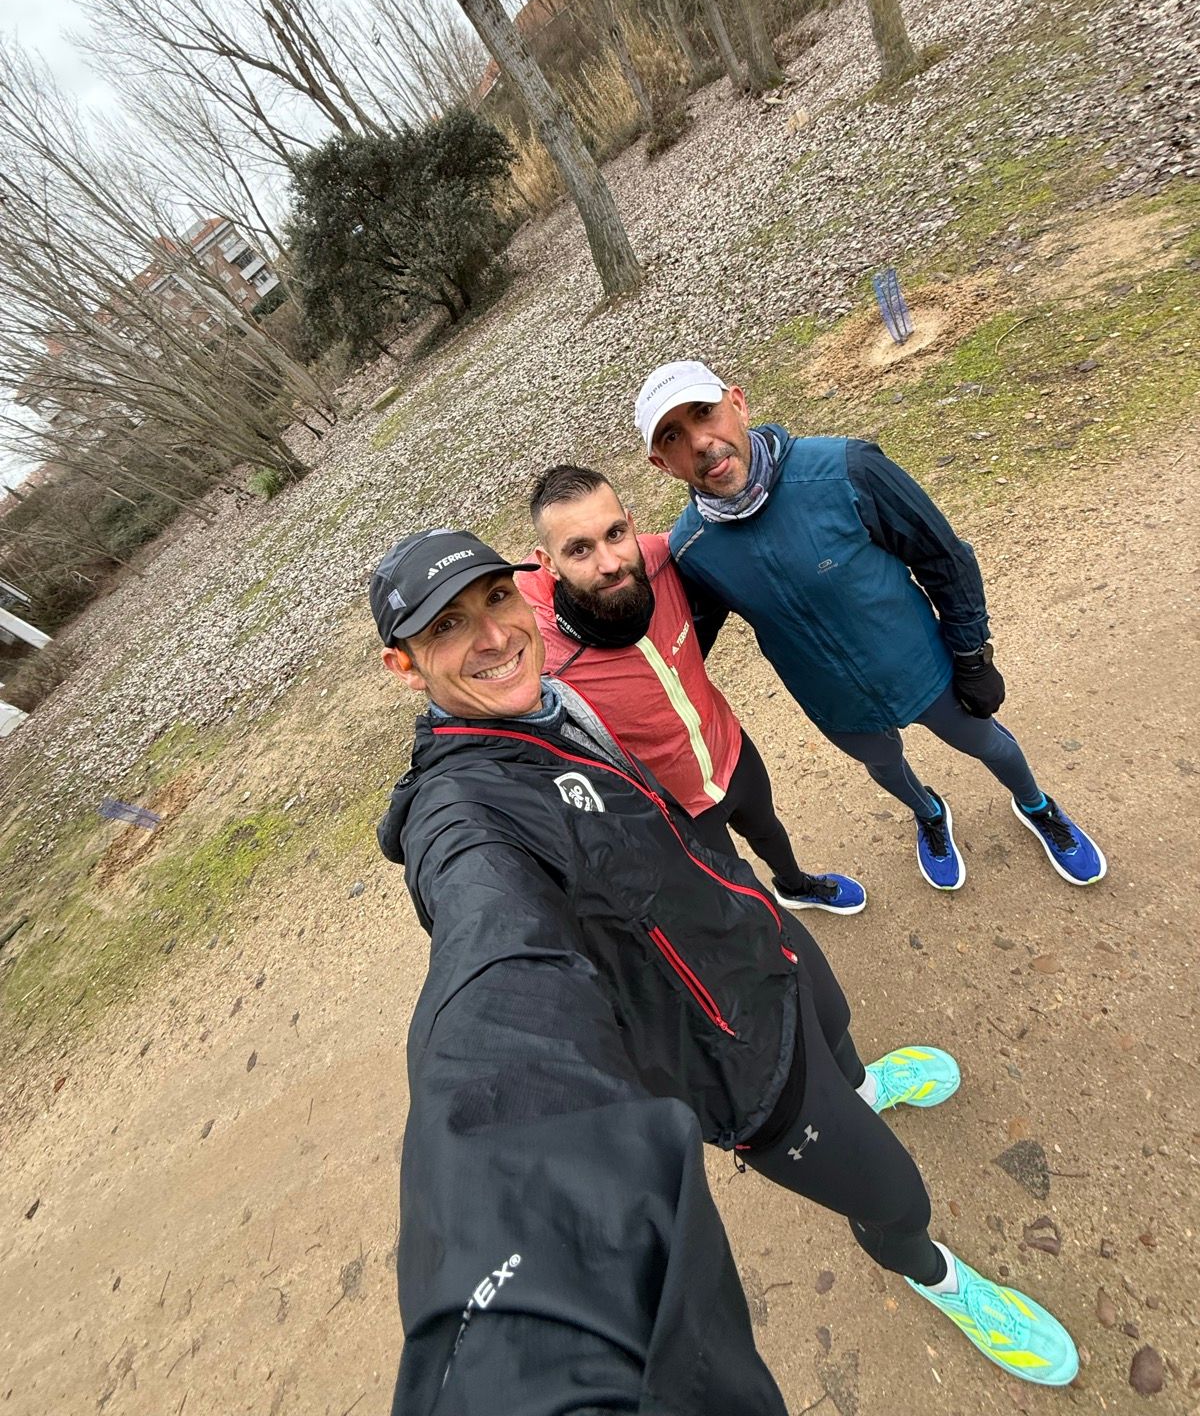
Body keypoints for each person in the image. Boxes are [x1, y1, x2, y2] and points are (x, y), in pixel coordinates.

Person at [372, 526, 1079, 1413]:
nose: (492, 635)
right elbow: (495, 977)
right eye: (447, 627)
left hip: (759, 938)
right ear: (404, 667)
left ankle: (862, 1087)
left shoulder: (547, 704)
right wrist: (517, 1318)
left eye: (496, 598)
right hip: (737, 1062)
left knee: (842, 1034)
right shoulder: (462, 815)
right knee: (897, 1196)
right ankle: (934, 1274)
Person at [634, 360, 1106, 892]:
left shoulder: (846, 468)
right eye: (673, 435)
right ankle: (929, 813)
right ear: (662, 463)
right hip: (834, 701)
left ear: (738, 404)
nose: (700, 441)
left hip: (924, 667)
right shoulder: (692, 549)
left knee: (988, 744)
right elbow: (685, 644)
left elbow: (944, 558)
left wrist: (973, 655)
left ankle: (1036, 805)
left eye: (705, 412)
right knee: (884, 766)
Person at [514, 463, 864, 915]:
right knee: (731, 891)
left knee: (768, 831)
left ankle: (795, 886)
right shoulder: (539, 653)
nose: (610, 563)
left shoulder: (664, 558)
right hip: (674, 805)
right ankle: (769, 932)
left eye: (615, 534)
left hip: (731, 750)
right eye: (579, 549)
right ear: (549, 563)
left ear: (631, 525)